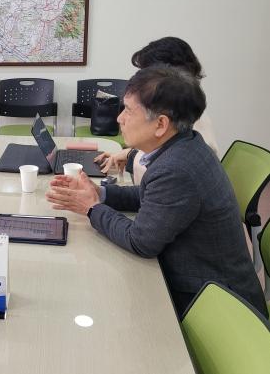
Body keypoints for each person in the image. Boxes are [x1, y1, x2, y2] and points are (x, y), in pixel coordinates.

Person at [46, 66, 268, 317]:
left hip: (216, 305)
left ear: (161, 124)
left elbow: (140, 242)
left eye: (128, 111)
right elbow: (150, 196)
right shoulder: (185, 145)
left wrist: (91, 208)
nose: (119, 119)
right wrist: (100, 193)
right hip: (209, 286)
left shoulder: (176, 169)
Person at [96, 37, 219, 183]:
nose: (144, 80)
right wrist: (130, 155)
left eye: (149, 74)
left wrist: (131, 157)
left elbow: (163, 171)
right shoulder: (182, 119)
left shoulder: (178, 162)